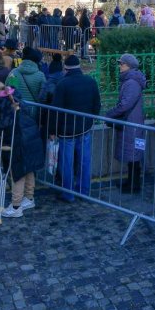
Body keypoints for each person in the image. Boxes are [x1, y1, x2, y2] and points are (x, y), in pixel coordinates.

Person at [0, 82, 46, 218]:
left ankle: (16, 206)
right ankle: (29, 198)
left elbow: (4, 125)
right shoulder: (16, 98)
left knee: (17, 171)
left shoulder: (1, 105)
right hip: (31, 137)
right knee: (28, 168)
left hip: (18, 140)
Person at [49, 54, 101, 201]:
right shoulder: (90, 81)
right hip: (85, 127)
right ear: (79, 67)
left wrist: (53, 130)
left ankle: (68, 194)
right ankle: (84, 191)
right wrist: (91, 120)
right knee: (85, 161)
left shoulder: (62, 84)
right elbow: (97, 104)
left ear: (66, 69)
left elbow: (56, 109)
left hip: (67, 131)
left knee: (67, 163)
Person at [106, 54, 146, 192]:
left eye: (122, 64)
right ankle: (131, 183)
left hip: (132, 123)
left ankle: (134, 185)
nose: (119, 66)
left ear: (129, 66)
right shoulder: (130, 80)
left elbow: (125, 104)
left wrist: (110, 114)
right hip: (132, 122)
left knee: (134, 154)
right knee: (132, 154)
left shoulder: (131, 82)